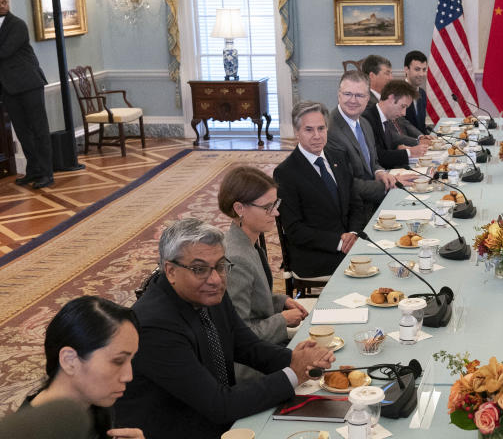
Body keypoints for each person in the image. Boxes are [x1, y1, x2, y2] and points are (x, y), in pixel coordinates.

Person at [115, 219, 335, 439]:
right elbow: (219, 404)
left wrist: (304, 360)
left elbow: (249, 347)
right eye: (199, 269)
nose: (215, 279)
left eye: (220, 265)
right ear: (171, 271)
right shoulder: (155, 326)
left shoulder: (208, 292)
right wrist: (293, 373)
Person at [21, 295, 143, 439]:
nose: (128, 376)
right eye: (118, 361)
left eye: (130, 360)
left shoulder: (93, 402)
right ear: (69, 360)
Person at [218, 165, 308, 348]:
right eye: (268, 207)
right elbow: (239, 334)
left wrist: (281, 301)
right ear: (239, 208)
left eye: (275, 204)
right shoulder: (236, 258)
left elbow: (255, 301)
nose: (276, 213)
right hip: (251, 365)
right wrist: (282, 321)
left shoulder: (248, 242)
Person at [274, 102, 367, 278]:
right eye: (309, 130)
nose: (317, 136)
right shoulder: (285, 173)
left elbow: (356, 203)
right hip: (315, 255)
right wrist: (340, 243)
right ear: (296, 132)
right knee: (372, 268)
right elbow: (295, 230)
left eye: (321, 128)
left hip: (350, 243)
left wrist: (353, 234)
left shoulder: (338, 156)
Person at [326, 70, 397, 224]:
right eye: (347, 94)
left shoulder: (364, 123)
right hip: (352, 215)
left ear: (367, 98)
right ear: (339, 94)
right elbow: (347, 184)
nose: (353, 100)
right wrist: (388, 187)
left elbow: (373, 162)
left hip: (373, 204)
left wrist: (379, 172)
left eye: (359, 95)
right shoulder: (330, 131)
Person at [0, 0, 54, 189]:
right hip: (9, 88)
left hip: (29, 84)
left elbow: (4, 51)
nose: (3, 5)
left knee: (39, 130)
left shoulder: (17, 25)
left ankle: (47, 173)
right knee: (23, 133)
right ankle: (34, 170)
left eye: (5, 1)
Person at [362, 79, 430, 169]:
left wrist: (399, 147)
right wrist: (410, 152)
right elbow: (377, 156)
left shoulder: (387, 117)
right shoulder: (367, 119)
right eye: (403, 106)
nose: (404, 113)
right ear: (391, 98)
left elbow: (387, 145)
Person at [403, 50, 429, 133]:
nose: (421, 74)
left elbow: (421, 126)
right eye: (417, 69)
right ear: (406, 69)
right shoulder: (397, 93)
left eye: (424, 69)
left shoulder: (422, 93)